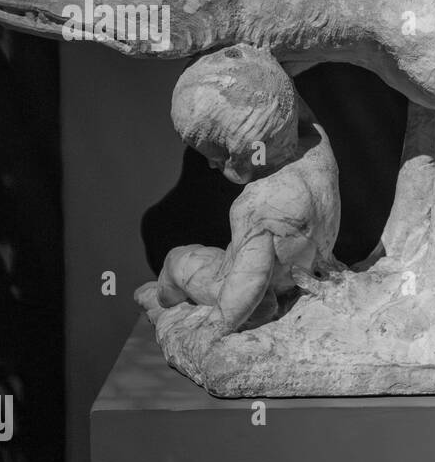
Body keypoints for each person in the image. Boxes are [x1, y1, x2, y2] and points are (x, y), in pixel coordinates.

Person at [135, 44, 340, 334]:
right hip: (305, 268)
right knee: (222, 261)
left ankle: (161, 299)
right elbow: (291, 105)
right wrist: (265, 69)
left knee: (180, 260)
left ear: (238, 158)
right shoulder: (317, 151)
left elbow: (249, 280)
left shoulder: (256, 205)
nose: (209, 166)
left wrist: (219, 325)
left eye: (215, 157)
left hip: (246, 290)